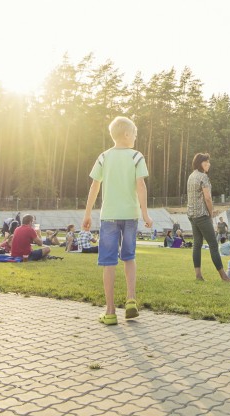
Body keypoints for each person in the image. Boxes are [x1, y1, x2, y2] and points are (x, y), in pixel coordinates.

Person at [82, 116, 154, 326]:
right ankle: (131, 299)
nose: (135, 138)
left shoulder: (103, 157)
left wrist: (87, 214)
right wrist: (146, 214)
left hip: (109, 217)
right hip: (130, 215)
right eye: (135, 134)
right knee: (129, 258)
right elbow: (141, 186)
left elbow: (94, 186)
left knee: (108, 263)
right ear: (126, 134)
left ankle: (110, 311)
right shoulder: (136, 157)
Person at [186, 153, 229, 282]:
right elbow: (208, 198)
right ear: (200, 163)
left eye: (209, 162)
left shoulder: (191, 176)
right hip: (202, 215)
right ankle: (224, 276)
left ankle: (198, 275)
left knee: (197, 245)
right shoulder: (203, 177)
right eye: (206, 162)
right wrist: (211, 214)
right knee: (213, 245)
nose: (208, 164)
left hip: (192, 215)